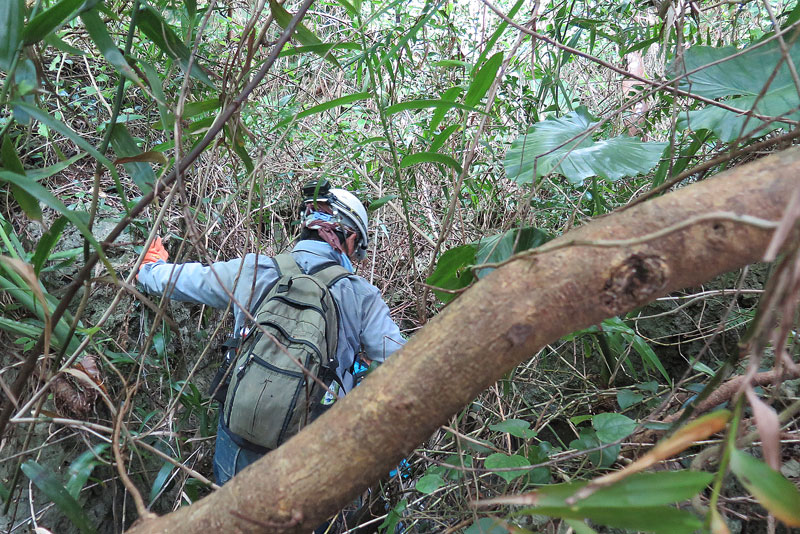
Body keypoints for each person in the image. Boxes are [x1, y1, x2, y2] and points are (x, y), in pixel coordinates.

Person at [137, 182, 405, 484]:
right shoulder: (362, 295)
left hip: (239, 440)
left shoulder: (253, 270)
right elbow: (404, 364)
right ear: (351, 237)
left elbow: (180, 281)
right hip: (312, 451)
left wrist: (150, 267)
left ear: (305, 224)